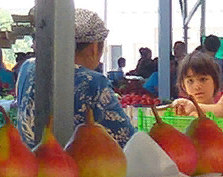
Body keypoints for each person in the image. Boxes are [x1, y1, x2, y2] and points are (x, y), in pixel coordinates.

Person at [15, 8, 135, 147]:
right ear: (94, 48)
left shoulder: (28, 67)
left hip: (30, 162)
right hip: (69, 165)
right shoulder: (93, 83)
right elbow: (126, 140)